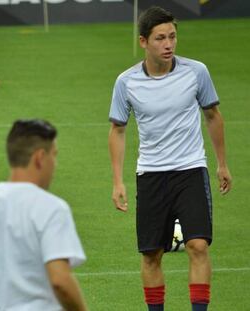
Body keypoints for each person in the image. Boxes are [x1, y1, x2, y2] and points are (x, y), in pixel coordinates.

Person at [108, 6, 232, 311]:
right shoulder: (126, 82)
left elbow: (213, 116)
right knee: (151, 254)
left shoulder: (196, 72)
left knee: (198, 246)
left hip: (191, 169)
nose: (168, 44)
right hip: (151, 174)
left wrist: (222, 164)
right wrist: (118, 180)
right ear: (143, 42)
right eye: (160, 38)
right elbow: (118, 130)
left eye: (173, 36)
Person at [0, 119, 88, 311]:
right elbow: (60, 281)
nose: (55, 164)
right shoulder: (52, 209)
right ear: (39, 158)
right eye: (54, 156)